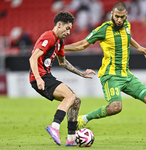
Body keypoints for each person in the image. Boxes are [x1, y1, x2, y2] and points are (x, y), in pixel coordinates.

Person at [64, 2, 146, 143]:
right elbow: (83, 44)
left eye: (122, 17)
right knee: (116, 107)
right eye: (116, 16)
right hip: (110, 76)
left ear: (126, 16)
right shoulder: (104, 29)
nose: (119, 19)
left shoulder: (127, 25)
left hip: (126, 75)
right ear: (111, 14)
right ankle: (83, 119)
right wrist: (62, 48)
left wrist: (139, 47)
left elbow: (127, 37)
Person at [29, 11, 96, 146]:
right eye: (67, 28)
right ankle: (54, 126)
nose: (68, 32)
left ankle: (71, 140)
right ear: (59, 25)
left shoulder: (59, 42)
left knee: (75, 100)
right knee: (70, 96)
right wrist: (38, 78)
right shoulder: (49, 36)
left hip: (45, 76)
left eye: (70, 29)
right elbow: (33, 58)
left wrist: (80, 73)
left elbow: (63, 62)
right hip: (41, 77)